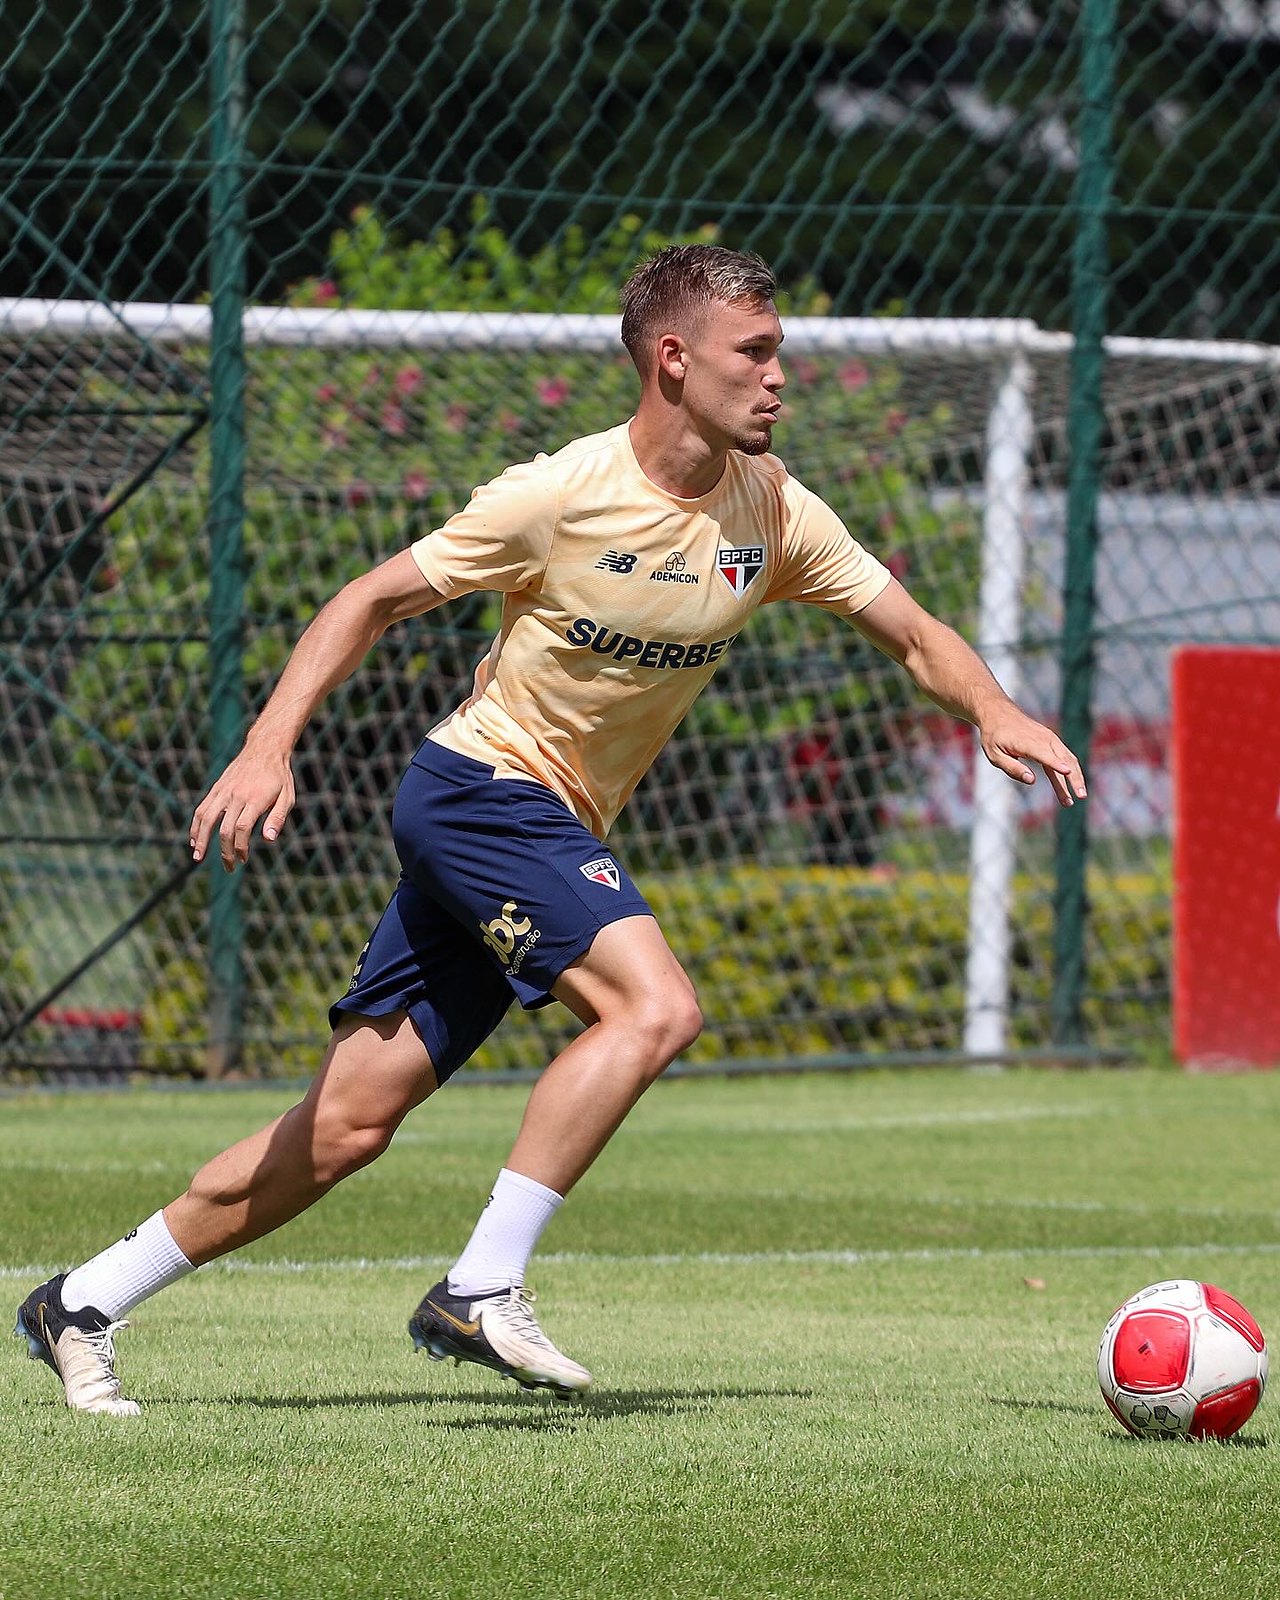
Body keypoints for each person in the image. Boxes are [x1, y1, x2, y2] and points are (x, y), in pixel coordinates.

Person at [15, 245, 1086, 1416]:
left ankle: (82, 1300)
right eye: (757, 353)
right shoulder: (558, 494)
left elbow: (913, 631)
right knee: (655, 1006)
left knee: (346, 1127)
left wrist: (989, 705)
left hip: (531, 826)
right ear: (672, 359)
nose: (780, 378)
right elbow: (367, 598)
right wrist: (269, 743)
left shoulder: (771, 509)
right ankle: (481, 1286)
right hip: (478, 792)